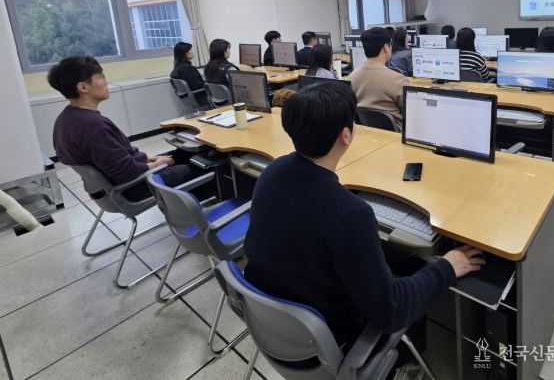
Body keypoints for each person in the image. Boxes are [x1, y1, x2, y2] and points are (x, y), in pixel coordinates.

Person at [244, 82, 484, 362]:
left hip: (272, 324)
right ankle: (402, 364)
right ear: (346, 135)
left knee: (391, 254)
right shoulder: (350, 215)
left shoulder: (273, 171)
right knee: (417, 263)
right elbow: (392, 310)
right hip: (324, 345)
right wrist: (447, 267)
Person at [49, 56, 194, 201]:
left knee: (186, 154)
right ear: (83, 87)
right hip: (133, 187)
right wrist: (156, 164)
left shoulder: (65, 119)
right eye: (101, 77)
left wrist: (147, 159)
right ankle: (193, 210)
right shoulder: (94, 126)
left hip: (112, 187)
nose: (106, 82)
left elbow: (112, 158)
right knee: (201, 165)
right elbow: (127, 173)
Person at [347, 27, 409, 131]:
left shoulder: (351, 77)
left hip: (367, 133)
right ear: (386, 47)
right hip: (395, 136)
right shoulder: (398, 80)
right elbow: (411, 115)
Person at [170, 41, 208, 107]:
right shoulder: (186, 68)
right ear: (186, 53)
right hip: (201, 97)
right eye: (191, 50)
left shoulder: (177, 68)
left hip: (189, 99)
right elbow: (197, 86)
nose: (193, 52)